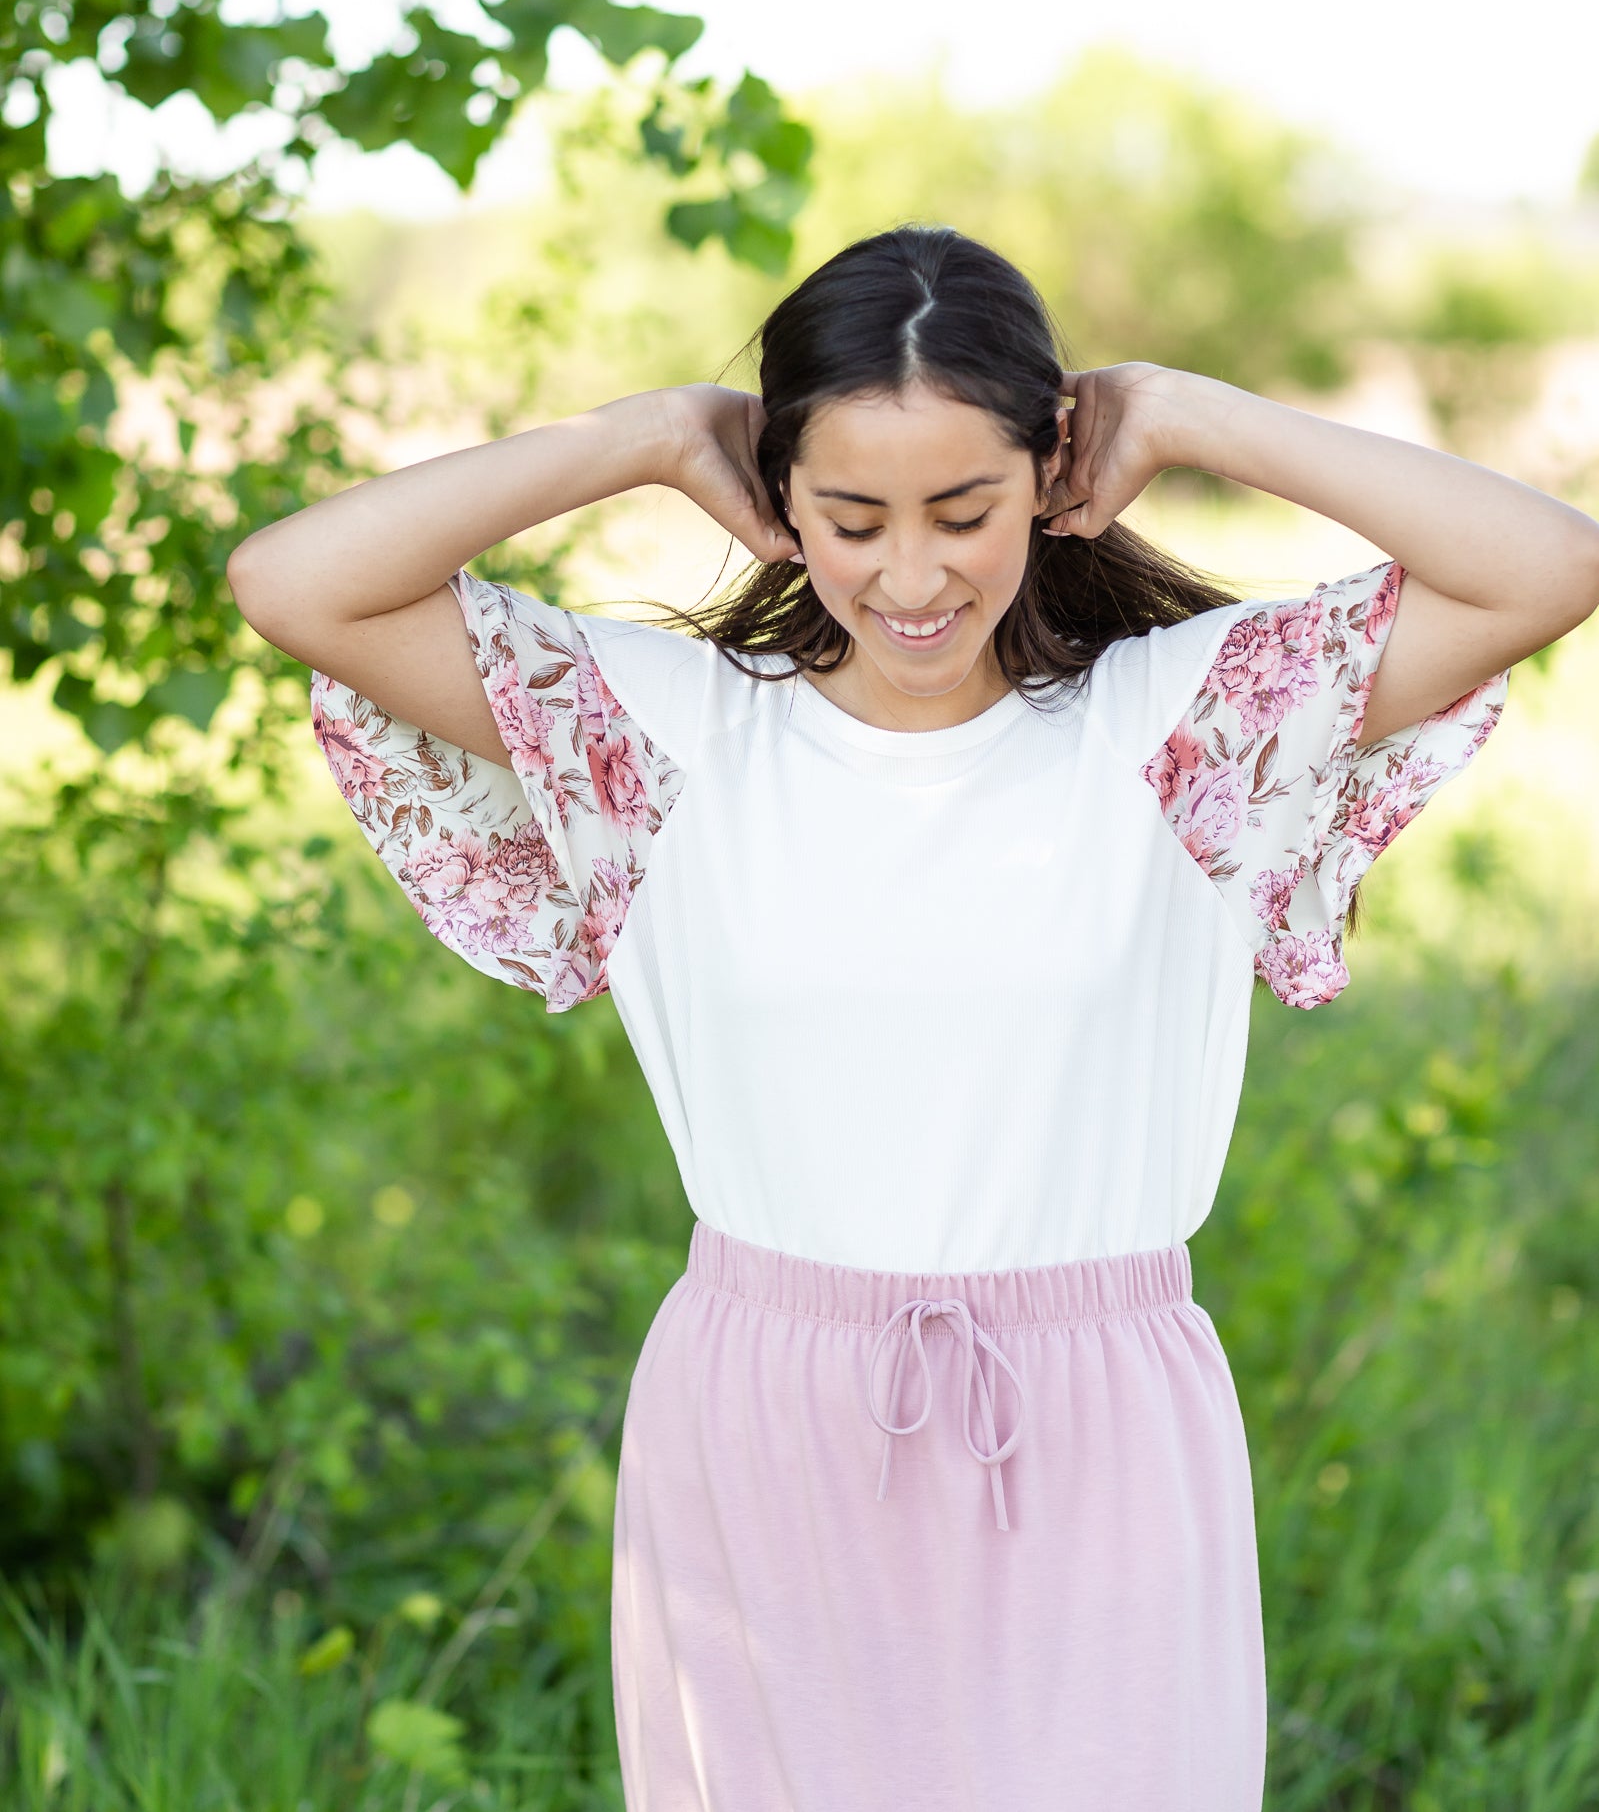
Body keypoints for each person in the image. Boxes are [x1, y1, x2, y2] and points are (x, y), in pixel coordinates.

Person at [228, 224, 1599, 1811]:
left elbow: (1548, 564)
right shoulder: (661, 739)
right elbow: (295, 581)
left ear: (1048, 480)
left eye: (964, 510)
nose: (911, 574)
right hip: (767, 1424)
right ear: (779, 500)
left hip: (1099, 1428)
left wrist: (1181, 407)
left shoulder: (1180, 725)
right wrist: (649, 438)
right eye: (853, 516)